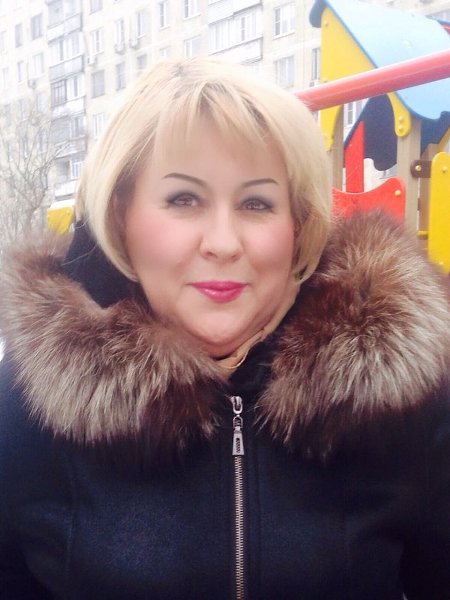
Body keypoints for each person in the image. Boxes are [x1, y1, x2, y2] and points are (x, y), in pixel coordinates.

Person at [0, 57, 449, 600]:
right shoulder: (29, 401)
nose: (223, 242)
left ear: (297, 223)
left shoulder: (405, 391)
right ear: (121, 214)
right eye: (184, 199)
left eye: (256, 203)